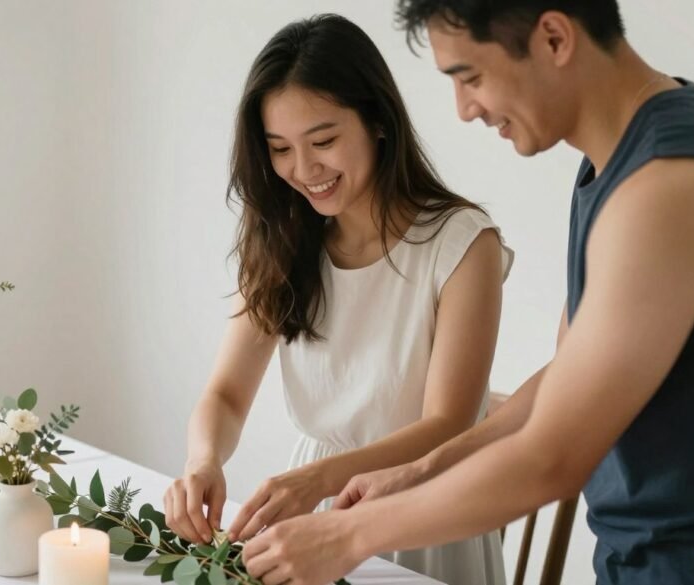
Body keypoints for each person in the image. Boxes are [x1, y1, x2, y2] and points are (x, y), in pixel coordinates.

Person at [242, 2, 694, 584]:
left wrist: (348, 534)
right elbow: (564, 379)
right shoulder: (615, 170)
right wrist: (424, 468)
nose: (466, 110)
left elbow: (551, 459)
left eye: (470, 76)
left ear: (554, 38)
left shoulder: (668, 188)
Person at [163, 13, 513, 585]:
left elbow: (447, 423)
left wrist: (321, 480)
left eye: (323, 141)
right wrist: (203, 460)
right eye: (279, 148)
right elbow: (226, 394)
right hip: (316, 509)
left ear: (376, 120)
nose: (304, 170)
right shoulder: (285, 238)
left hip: (425, 512)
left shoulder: (461, 244)